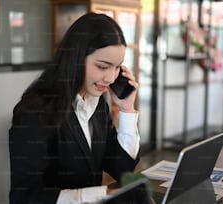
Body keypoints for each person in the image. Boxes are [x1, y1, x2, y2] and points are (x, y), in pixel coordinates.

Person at [9, 12, 140, 204]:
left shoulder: (97, 105)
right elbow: (25, 197)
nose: (111, 78)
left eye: (117, 67)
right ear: (76, 57)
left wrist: (127, 110)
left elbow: (122, 169)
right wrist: (100, 196)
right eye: (103, 66)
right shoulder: (35, 111)